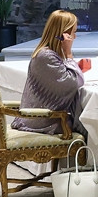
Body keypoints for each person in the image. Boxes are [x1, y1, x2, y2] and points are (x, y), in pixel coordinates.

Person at [11, 10, 87, 138]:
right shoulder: (46, 56)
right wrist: (69, 54)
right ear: (63, 34)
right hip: (43, 121)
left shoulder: (50, 54)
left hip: (41, 118)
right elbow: (74, 82)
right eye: (73, 32)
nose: (75, 37)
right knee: (91, 122)